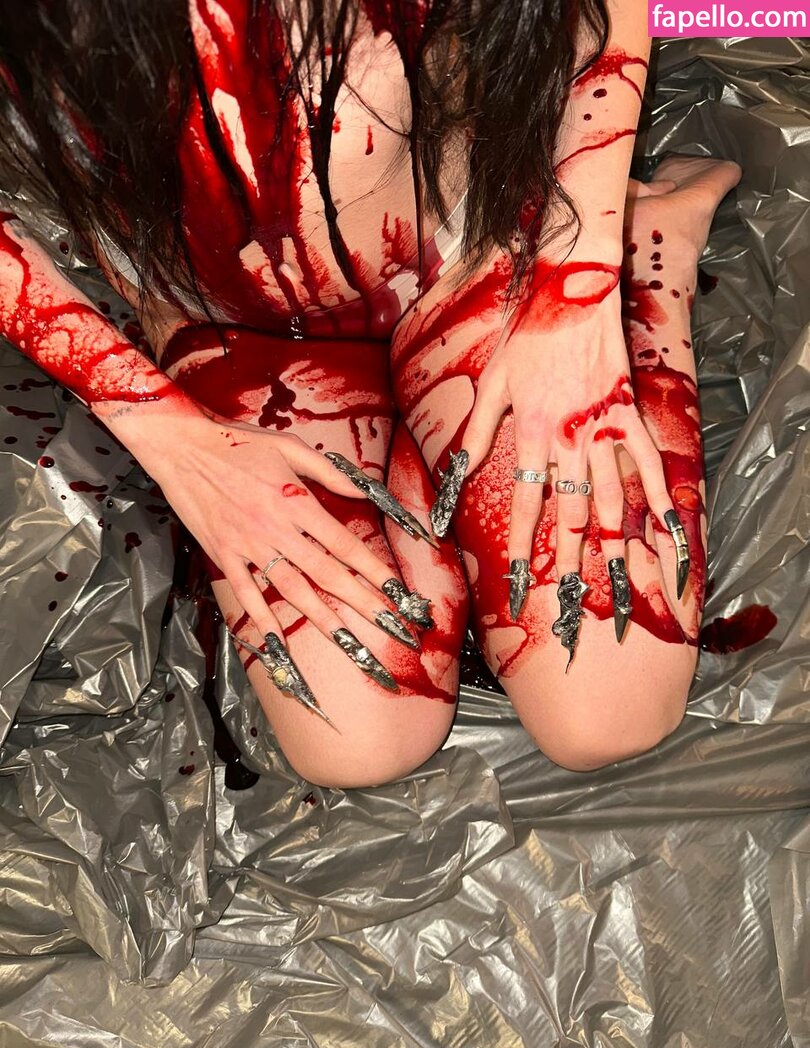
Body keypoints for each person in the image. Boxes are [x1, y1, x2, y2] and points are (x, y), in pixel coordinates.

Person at [0, 0, 741, 787]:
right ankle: (425, 436)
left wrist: (579, 285)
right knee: (356, 741)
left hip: (465, 240)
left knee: (608, 711)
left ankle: (652, 240)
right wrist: (166, 431)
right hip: (222, 319)